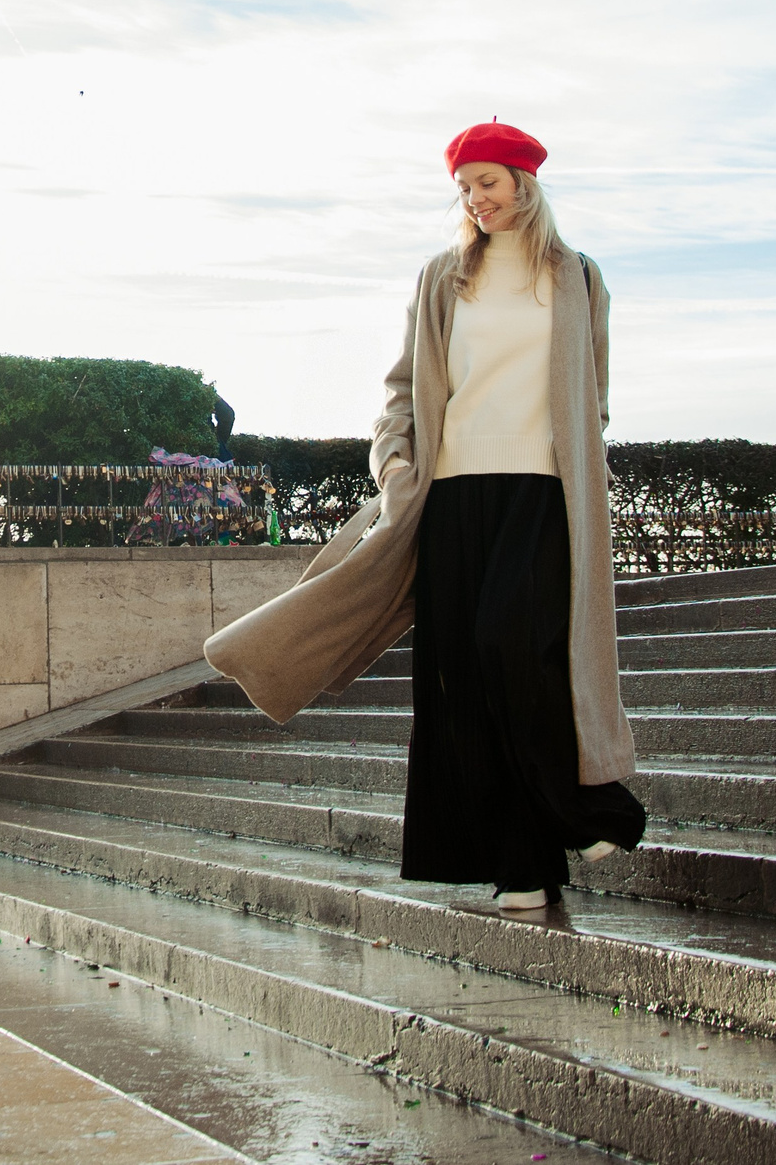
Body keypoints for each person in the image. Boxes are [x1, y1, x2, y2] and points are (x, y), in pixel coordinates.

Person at [205, 120, 645, 913]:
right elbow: (402, 391)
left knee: (514, 643)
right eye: (464, 188)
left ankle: (585, 808)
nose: (475, 199)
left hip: (542, 493)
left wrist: (579, 458)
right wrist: (397, 465)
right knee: (465, 675)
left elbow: (596, 392)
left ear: (524, 184)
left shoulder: (578, 276)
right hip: (452, 494)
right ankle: (523, 864)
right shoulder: (444, 277)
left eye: (488, 183)